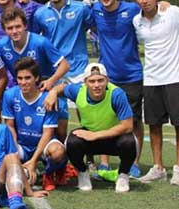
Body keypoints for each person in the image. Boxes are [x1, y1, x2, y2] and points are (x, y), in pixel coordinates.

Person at [44, 63, 137, 193]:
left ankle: (123, 175)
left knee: (130, 142)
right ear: (85, 82)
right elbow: (62, 87)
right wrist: (53, 92)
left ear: (107, 80)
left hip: (113, 138)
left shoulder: (116, 94)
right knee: (71, 142)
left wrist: (96, 135)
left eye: (100, 80)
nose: (96, 85)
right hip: (89, 137)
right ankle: (83, 173)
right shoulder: (78, 90)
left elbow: (127, 126)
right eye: (92, 81)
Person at [132, 0, 179, 185]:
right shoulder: (136, 22)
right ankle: (158, 167)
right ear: (136, 0)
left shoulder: (172, 13)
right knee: (154, 125)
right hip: (151, 80)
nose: (144, 0)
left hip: (175, 78)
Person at [91, 0, 144, 177]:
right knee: (106, 121)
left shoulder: (131, 9)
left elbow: (151, 10)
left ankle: (135, 162)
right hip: (107, 76)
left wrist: (163, 3)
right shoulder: (95, 9)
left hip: (131, 75)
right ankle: (104, 164)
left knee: (135, 122)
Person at [2, 58, 68, 192]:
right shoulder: (10, 95)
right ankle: (27, 169)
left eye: (27, 78)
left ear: (36, 78)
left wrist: (33, 161)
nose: (23, 82)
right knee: (3, 153)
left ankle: (48, 173)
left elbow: (48, 133)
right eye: (20, 78)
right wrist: (14, 152)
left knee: (58, 152)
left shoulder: (48, 98)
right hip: (22, 144)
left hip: (43, 144)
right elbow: (10, 127)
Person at [32, 0, 95, 86]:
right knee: (56, 104)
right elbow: (34, 39)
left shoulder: (80, 9)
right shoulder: (40, 14)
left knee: (80, 103)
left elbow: (96, 27)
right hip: (54, 70)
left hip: (79, 69)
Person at [0, 7, 70, 90]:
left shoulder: (40, 42)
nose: (14, 31)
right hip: (22, 88)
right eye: (10, 28)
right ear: (4, 30)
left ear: (25, 26)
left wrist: (51, 81)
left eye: (18, 26)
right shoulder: (1, 46)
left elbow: (65, 65)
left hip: (46, 87)